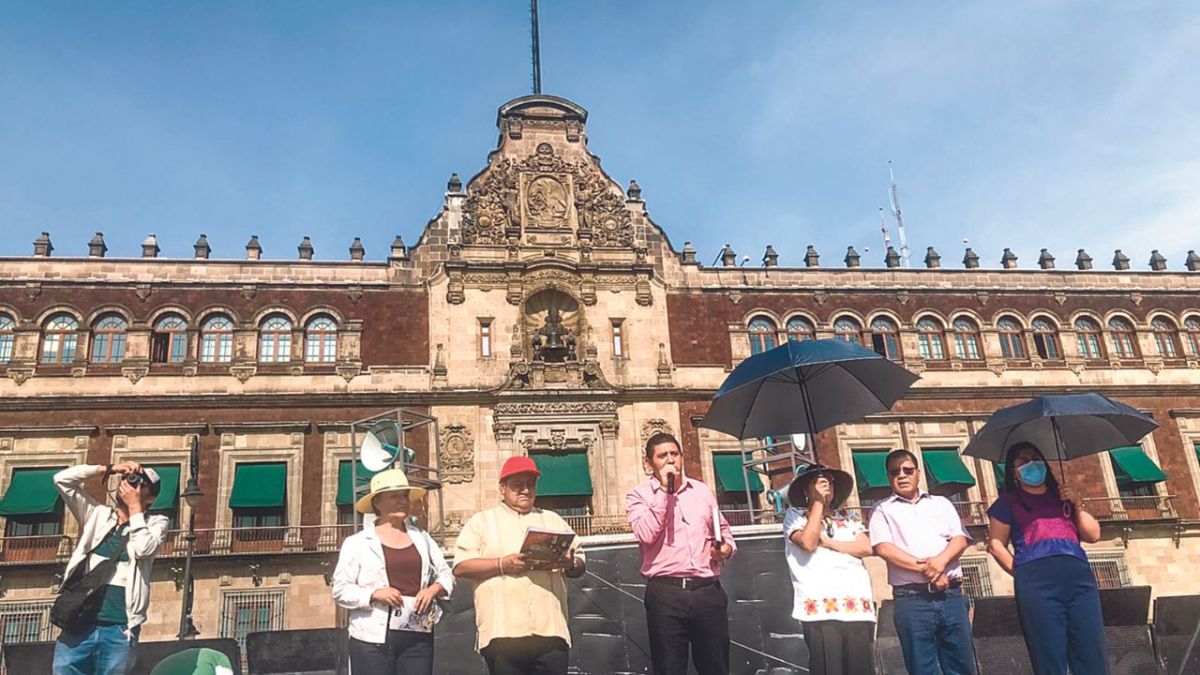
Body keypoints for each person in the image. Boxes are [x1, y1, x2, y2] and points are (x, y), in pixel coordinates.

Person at [452, 455, 586, 675]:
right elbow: (461, 566)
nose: (525, 490)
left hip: (550, 629)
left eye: (530, 485)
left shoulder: (552, 520)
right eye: (517, 485)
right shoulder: (482, 522)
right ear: (502, 488)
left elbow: (580, 563)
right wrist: (502, 564)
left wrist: (569, 563)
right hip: (504, 631)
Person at [985, 442, 1108, 674]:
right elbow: (995, 544)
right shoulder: (1006, 503)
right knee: (1048, 654)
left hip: (1079, 580)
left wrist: (1078, 503)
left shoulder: (1064, 497)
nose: (1032, 464)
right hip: (1036, 583)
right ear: (1014, 472)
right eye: (1023, 461)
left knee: (1092, 651)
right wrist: (1021, 571)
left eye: (1035, 457)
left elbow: (1093, 535)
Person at [626, 432, 736, 675]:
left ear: (682, 457)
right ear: (648, 463)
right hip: (666, 592)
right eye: (662, 456)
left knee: (716, 666)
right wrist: (665, 491)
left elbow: (725, 531)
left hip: (708, 590)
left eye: (674, 454)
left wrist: (725, 549)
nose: (669, 460)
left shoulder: (702, 491)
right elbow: (646, 534)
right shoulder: (639, 495)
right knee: (669, 667)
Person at [332, 468, 453, 675]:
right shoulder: (357, 543)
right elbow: (340, 590)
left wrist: (433, 589)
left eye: (405, 496)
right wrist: (374, 594)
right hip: (372, 640)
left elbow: (446, 574)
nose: (403, 501)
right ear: (377, 502)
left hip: (417, 636)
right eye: (395, 496)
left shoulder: (422, 538)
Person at [52, 462, 170, 675]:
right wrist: (109, 468)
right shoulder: (97, 516)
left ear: (150, 498)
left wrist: (135, 508)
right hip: (79, 621)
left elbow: (144, 549)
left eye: (140, 484)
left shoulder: (156, 523)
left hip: (119, 627)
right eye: (128, 479)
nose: (130, 485)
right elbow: (61, 480)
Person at [868, 449, 975, 675]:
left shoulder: (942, 503)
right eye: (895, 471)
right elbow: (884, 548)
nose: (902, 475)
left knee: (962, 667)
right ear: (889, 477)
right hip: (912, 600)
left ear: (918, 473)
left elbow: (960, 539)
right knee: (921, 669)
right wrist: (931, 570)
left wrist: (940, 561)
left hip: (951, 596)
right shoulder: (881, 510)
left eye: (908, 470)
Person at [782, 465, 876, 675]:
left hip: (856, 606)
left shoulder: (849, 518)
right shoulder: (795, 517)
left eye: (829, 480)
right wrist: (817, 502)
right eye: (817, 480)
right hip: (821, 608)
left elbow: (865, 547)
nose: (826, 484)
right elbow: (807, 541)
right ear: (806, 489)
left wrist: (831, 544)